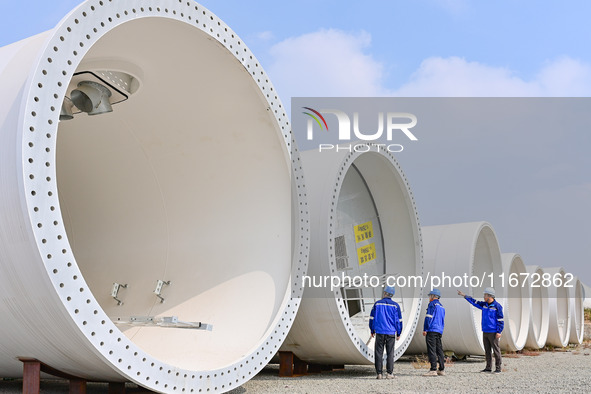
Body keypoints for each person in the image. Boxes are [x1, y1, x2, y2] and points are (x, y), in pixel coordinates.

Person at [457, 287, 504, 373]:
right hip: (485, 331)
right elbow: (474, 302)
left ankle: (498, 368)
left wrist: (499, 331)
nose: (484, 296)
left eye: (485, 295)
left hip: (493, 332)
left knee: (496, 350)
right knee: (487, 351)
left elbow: (500, 320)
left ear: (490, 296)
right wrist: (464, 296)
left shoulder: (497, 307)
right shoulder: (484, 305)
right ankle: (488, 367)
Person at [369, 285, 402, 380]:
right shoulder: (396, 306)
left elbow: (372, 318)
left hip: (379, 332)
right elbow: (399, 321)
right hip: (391, 333)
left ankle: (379, 374)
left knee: (378, 352)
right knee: (390, 353)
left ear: (384, 293)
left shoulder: (377, 304)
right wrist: (398, 333)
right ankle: (389, 373)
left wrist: (372, 330)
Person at [422, 288, 446, 377]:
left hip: (432, 329)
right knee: (439, 350)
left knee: (431, 350)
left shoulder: (432, 304)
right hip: (439, 330)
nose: (429, 297)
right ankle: (442, 369)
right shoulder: (441, 306)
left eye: (430, 296)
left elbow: (428, 317)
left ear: (433, 296)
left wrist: (425, 329)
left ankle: (433, 369)